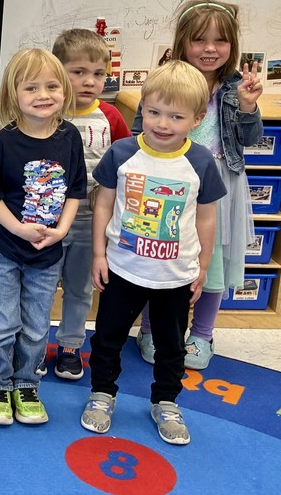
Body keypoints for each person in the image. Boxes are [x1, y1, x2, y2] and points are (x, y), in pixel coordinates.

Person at [83, 61, 226, 445]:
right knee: (108, 336)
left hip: (176, 275)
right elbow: (103, 205)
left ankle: (165, 400)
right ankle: (102, 393)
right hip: (123, 268)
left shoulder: (200, 161)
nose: (163, 123)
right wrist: (99, 254)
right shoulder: (122, 153)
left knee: (170, 344)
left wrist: (203, 265)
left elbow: (207, 218)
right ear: (142, 108)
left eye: (176, 116)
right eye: (154, 112)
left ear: (196, 119)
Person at [133, 0, 263, 370]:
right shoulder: (166, 81)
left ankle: (202, 334)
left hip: (217, 185)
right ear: (183, 41)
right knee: (159, 254)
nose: (209, 49)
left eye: (220, 41)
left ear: (232, 46)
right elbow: (144, 130)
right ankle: (152, 331)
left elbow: (250, 138)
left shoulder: (236, 87)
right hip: (167, 182)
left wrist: (249, 107)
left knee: (213, 263)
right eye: (200, 40)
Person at [0, 49, 86, 426]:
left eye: (52, 85)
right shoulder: (4, 142)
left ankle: (25, 383)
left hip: (48, 252)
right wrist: (20, 229)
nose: (44, 94)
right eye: (32, 87)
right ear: (14, 95)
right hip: (2, 248)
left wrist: (63, 230)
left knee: (38, 326)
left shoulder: (70, 137)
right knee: (2, 323)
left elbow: (75, 189)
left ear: (64, 90)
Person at [48, 29, 129, 380]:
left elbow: (127, 165)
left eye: (98, 74)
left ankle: (70, 345)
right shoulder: (45, 112)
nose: (89, 82)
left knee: (80, 287)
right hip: (48, 219)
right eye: (78, 72)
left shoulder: (110, 117)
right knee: (40, 287)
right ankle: (35, 344)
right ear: (57, 71)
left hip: (89, 221)